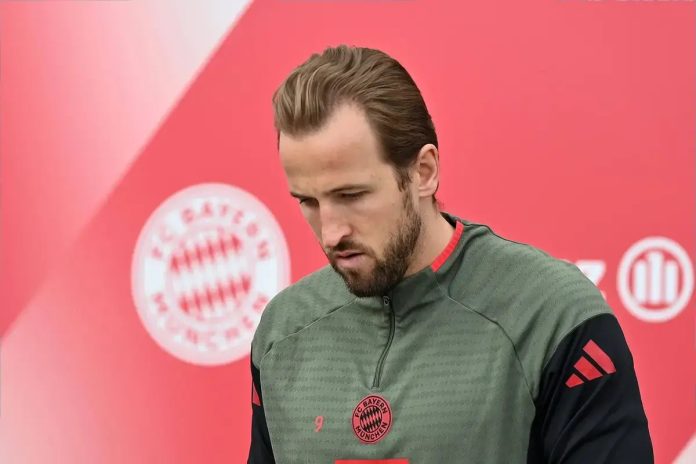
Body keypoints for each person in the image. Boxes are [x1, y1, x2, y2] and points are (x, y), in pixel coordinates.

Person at [248, 45, 653, 463]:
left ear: (423, 172)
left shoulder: (552, 316)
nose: (331, 233)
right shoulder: (283, 330)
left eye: (351, 195)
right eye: (308, 202)